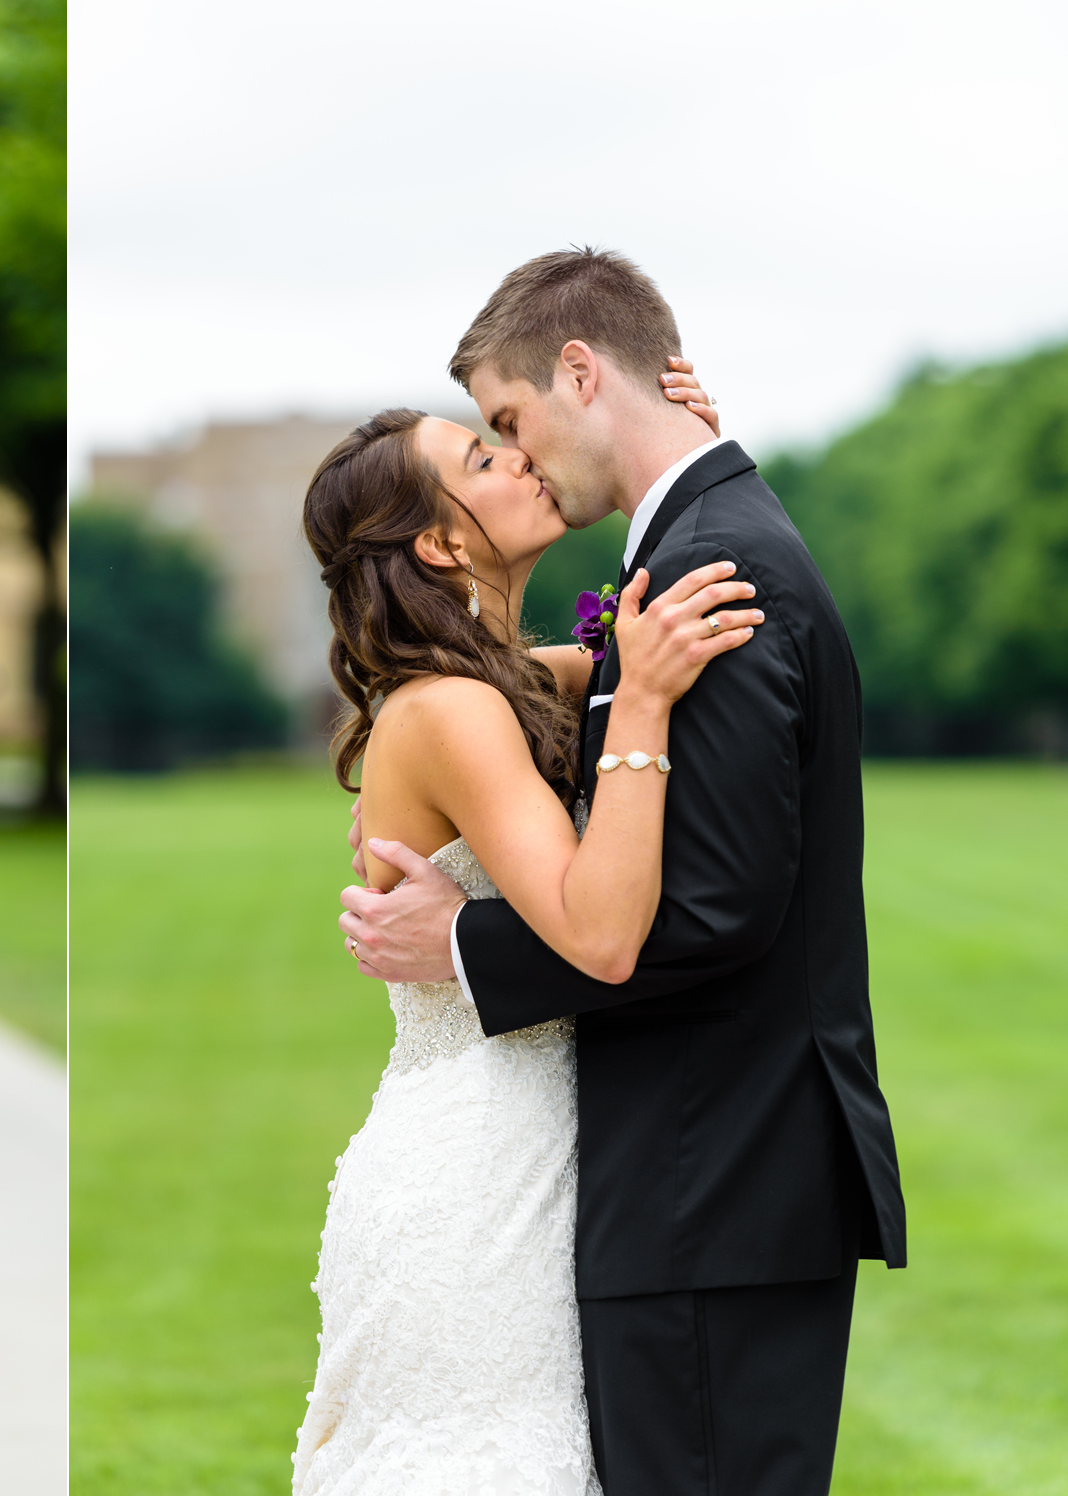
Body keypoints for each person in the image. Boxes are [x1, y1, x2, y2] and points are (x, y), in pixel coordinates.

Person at [336, 250, 905, 1496]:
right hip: (596, 1176)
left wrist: (463, 949)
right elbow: (559, 689)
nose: (518, 458)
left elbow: (712, 904)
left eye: (506, 425)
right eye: (485, 450)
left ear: (579, 371)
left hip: (711, 1174)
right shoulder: (683, 564)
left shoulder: (713, 566)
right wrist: (679, 472)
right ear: (436, 543)